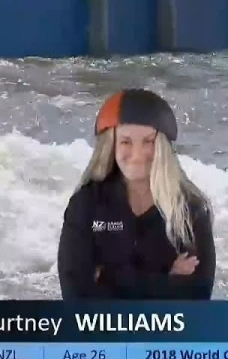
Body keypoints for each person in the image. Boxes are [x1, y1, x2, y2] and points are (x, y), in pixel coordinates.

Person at [57, 88, 216, 299]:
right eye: (126, 142)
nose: (137, 154)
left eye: (148, 141)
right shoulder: (86, 204)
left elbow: (197, 296)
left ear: (163, 147)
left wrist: (109, 278)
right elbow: (75, 295)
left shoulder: (190, 210)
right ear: (111, 145)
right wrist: (167, 278)